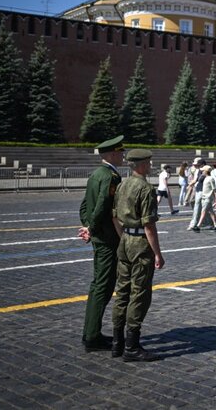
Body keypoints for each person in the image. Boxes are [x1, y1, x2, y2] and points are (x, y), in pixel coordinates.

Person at [111, 148, 164, 362]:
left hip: (124, 241)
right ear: (141, 164)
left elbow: (114, 216)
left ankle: (117, 343)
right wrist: (158, 253)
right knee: (139, 293)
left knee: (122, 291)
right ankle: (132, 347)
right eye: (148, 162)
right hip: (140, 244)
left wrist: (124, 236)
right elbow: (149, 226)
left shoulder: (122, 184)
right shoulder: (145, 188)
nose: (150, 165)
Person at [77, 135, 125, 352]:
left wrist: (87, 226)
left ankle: (91, 333)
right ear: (112, 154)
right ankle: (92, 336)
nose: (122, 155)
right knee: (102, 287)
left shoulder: (96, 174)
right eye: (120, 152)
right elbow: (103, 206)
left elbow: (85, 206)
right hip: (107, 238)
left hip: (99, 236)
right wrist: (93, 228)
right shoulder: (111, 176)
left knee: (99, 285)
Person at [193, 165, 216, 231]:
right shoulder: (205, 178)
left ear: (206, 171)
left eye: (203, 170)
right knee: (211, 212)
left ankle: (198, 226)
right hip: (204, 197)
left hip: (207, 198)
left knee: (203, 212)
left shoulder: (211, 178)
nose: (202, 171)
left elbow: (214, 189)